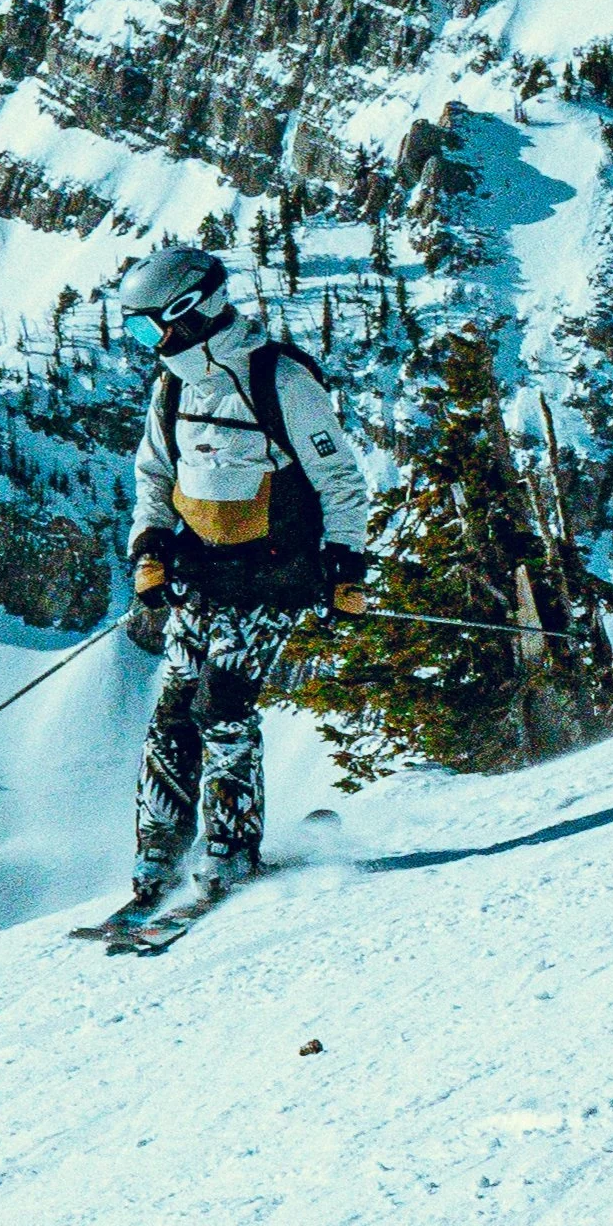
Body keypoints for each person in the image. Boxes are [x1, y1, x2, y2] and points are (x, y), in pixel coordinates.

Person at [113, 240, 369, 917]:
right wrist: (149, 546)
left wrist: (344, 562)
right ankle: (160, 851)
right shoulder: (173, 387)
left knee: (221, 704)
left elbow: (339, 478)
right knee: (172, 712)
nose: (148, 344)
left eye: (149, 328)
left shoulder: (278, 379)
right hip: (202, 574)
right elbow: (154, 477)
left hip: (275, 574)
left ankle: (230, 849)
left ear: (189, 311)